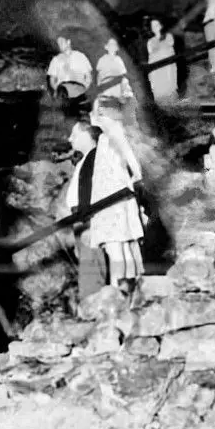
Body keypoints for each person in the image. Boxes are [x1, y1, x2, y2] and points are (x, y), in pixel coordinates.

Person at [89, 98, 145, 301]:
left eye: (95, 111)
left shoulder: (110, 136)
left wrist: (126, 181)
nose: (92, 116)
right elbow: (136, 168)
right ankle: (131, 292)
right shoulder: (117, 134)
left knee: (115, 250)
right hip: (119, 198)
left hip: (110, 200)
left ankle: (116, 294)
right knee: (124, 248)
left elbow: (135, 166)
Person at [65, 120, 108, 301]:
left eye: (74, 135)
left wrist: (91, 225)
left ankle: (94, 307)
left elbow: (96, 194)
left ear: (86, 135)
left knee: (92, 269)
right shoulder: (87, 159)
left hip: (88, 221)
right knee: (88, 266)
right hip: (83, 221)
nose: (70, 139)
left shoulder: (95, 158)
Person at [46, 34, 93, 100]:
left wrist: (85, 89)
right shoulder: (55, 60)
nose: (60, 45)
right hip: (62, 92)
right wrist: (58, 90)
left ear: (68, 42)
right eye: (58, 43)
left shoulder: (81, 56)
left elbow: (88, 77)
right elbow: (52, 80)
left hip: (78, 90)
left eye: (62, 42)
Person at [146, 18, 177, 101]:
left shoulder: (168, 36)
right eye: (153, 26)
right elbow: (151, 52)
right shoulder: (150, 41)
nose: (155, 27)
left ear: (161, 25)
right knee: (158, 90)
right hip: (156, 68)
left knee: (169, 88)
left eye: (156, 25)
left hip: (167, 66)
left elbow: (170, 45)